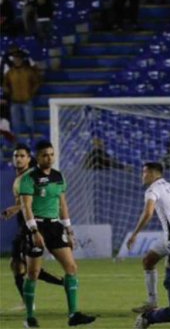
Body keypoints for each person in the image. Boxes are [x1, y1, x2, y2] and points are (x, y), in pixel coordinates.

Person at [18, 141, 96, 327]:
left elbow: (63, 205)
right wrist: (34, 231)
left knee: (71, 268)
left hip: (55, 227)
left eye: (52, 154)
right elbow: (25, 206)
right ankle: (30, 317)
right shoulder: (29, 178)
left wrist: (69, 229)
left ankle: (73, 315)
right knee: (33, 273)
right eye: (45, 154)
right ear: (37, 157)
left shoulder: (59, 176)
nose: (49, 158)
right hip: (36, 225)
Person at [2, 144, 64, 310]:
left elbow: (34, 201)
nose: (18, 159)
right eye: (16, 156)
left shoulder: (31, 176)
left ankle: (61, 284)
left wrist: (15, 209)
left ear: (30, 159)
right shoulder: (19, 178)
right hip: (25, 225)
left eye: (22, 156)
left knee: (26, 266)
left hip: (35, 225)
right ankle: (29, 300)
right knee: (17, 264)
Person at [126, 162, 170, 313]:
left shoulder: (152, 189)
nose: (142, 176)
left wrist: (135, 234)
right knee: (148, 261)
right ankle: (152, 302)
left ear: (152, 173)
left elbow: (148, 213)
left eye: (144, 172)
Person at [2, 51, 39, 139]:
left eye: (18, 59)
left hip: (27, 99)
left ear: (22, 60)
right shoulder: (10, 72)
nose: (17, 60)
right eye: (15, 59)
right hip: (15, 100)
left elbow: (36, 82)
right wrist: (8, 91)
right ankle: (17, 144)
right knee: (15, 125)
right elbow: (5, 84)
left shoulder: (28, 71)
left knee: (29, 123)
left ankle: (32, 140)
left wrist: (31, 92)